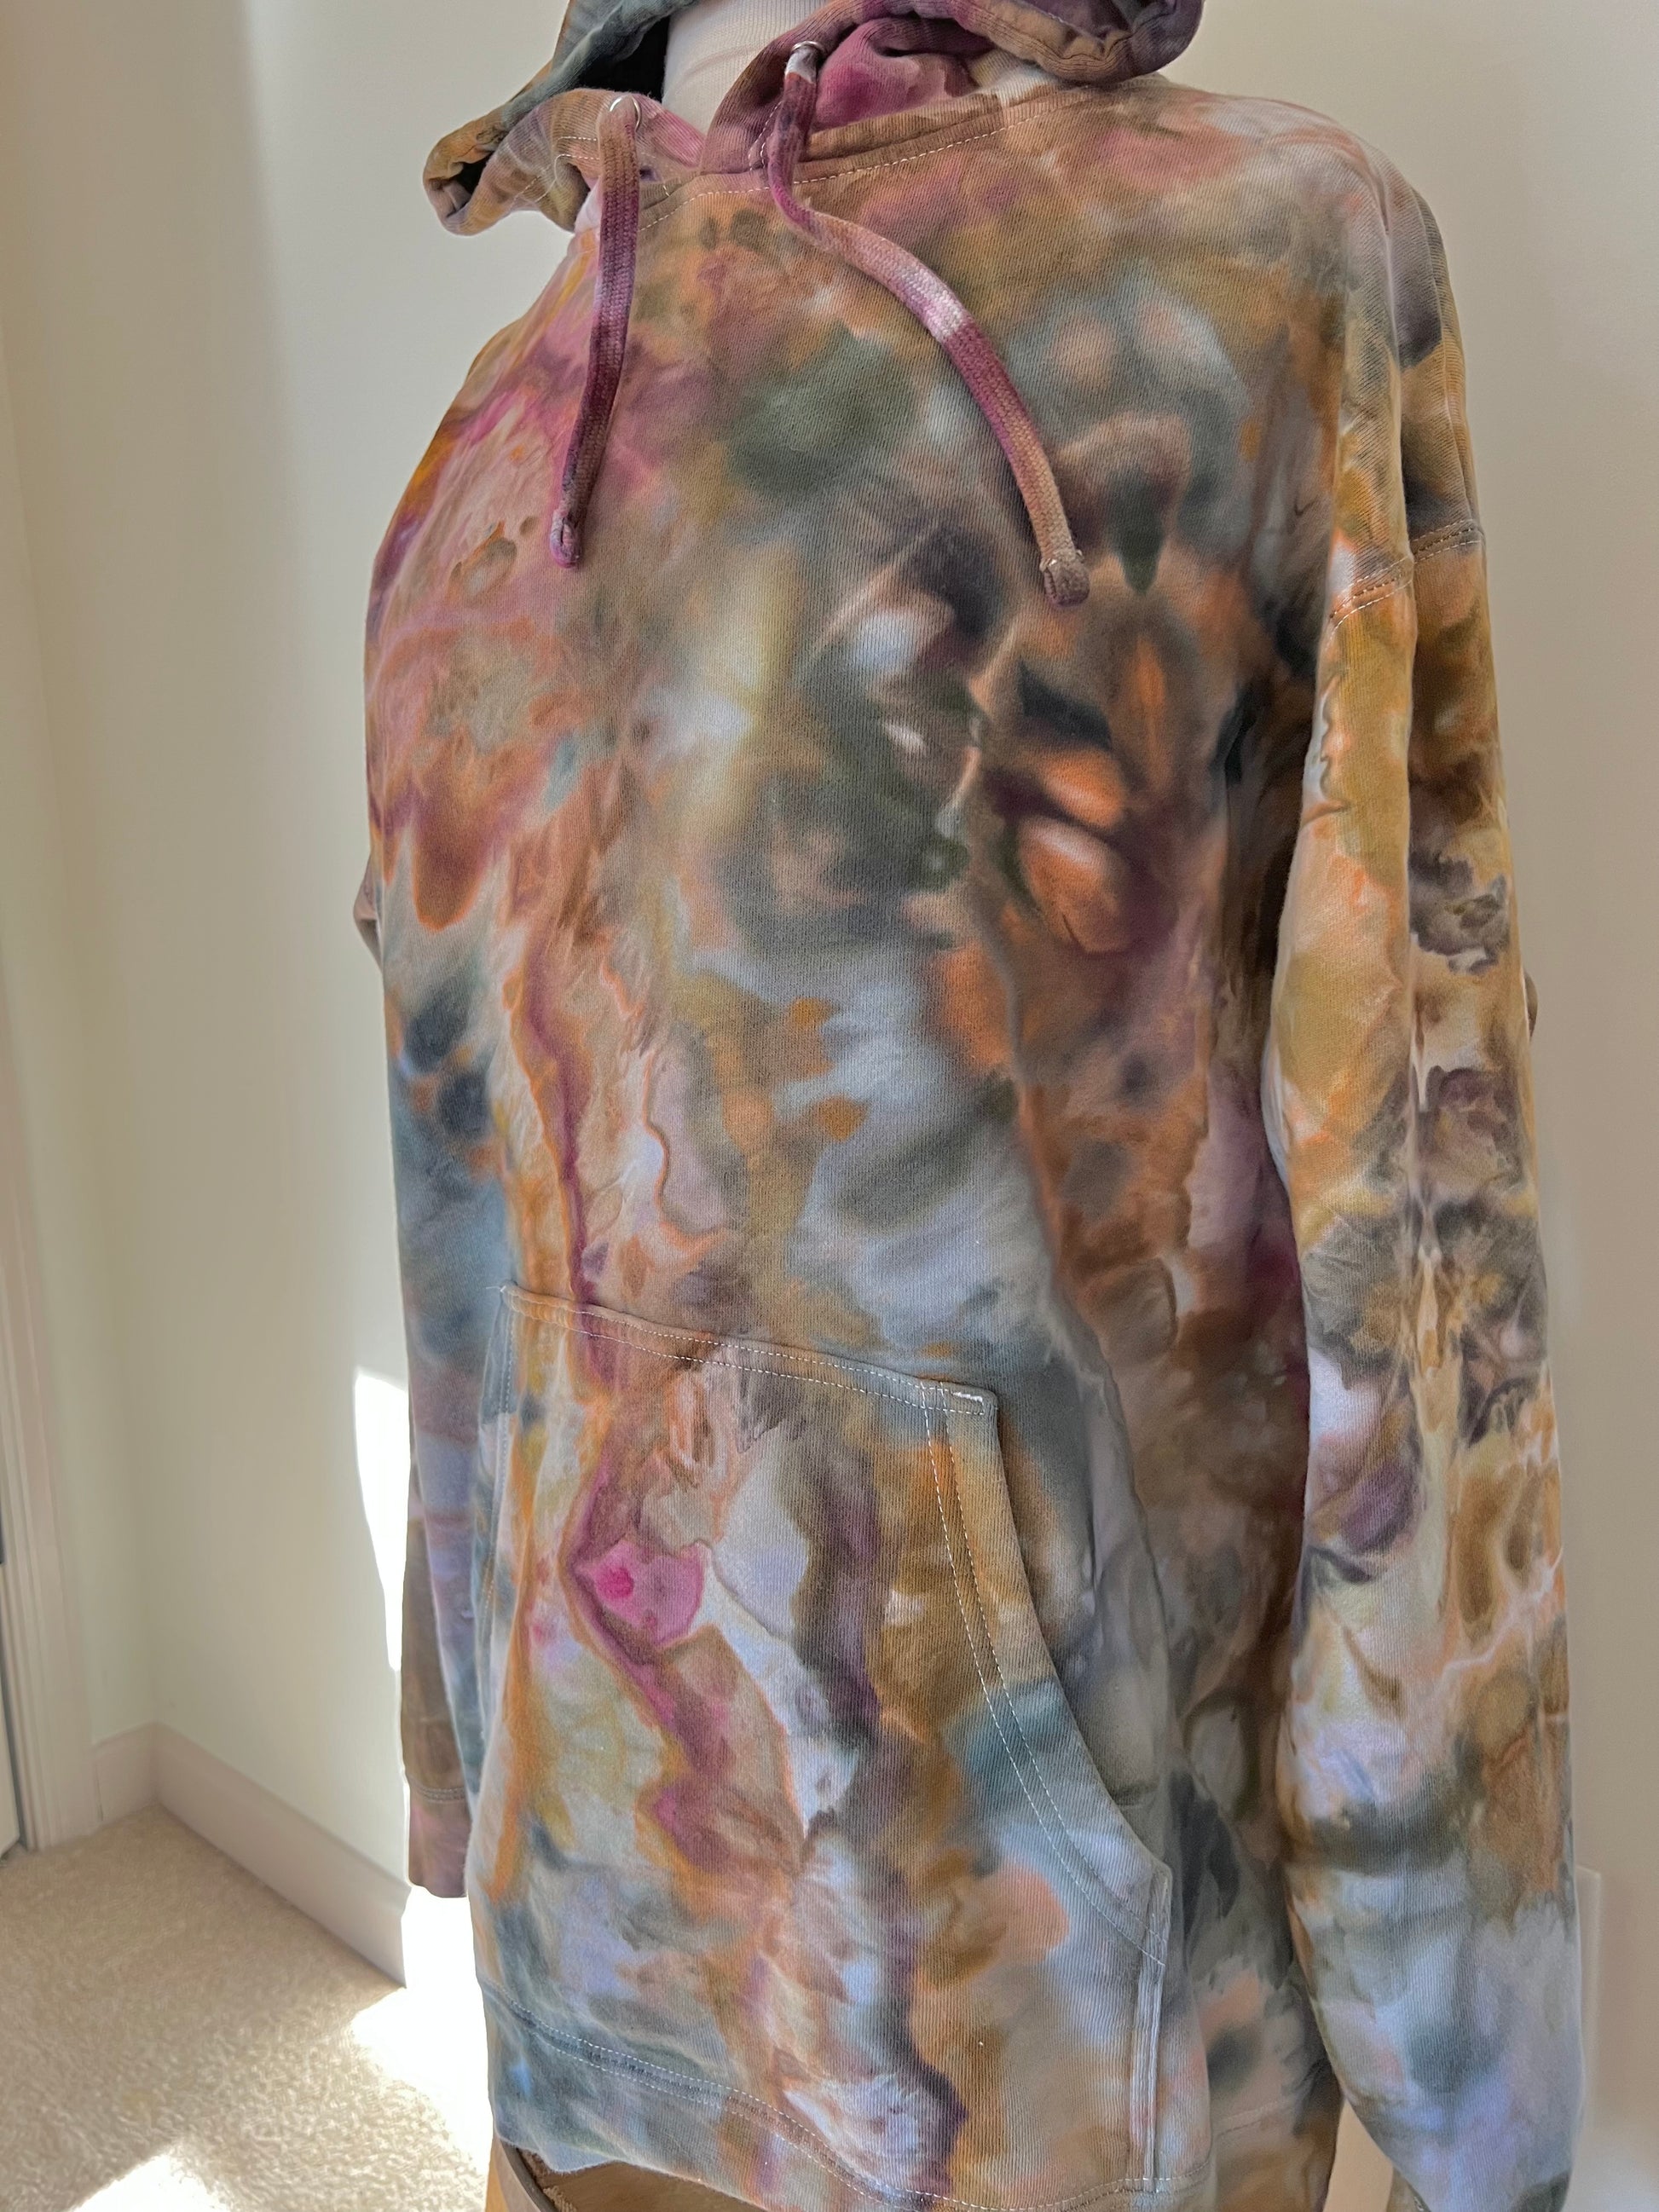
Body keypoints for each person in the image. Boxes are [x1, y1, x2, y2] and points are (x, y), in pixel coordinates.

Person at [359, 1, 1582, 2207]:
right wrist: (466, 1755)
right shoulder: (493, 429)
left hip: (1064, 2006)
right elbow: (465, 1203)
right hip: (599, 1942)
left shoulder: (1264, 258)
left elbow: (1413, 1165)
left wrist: (1454, 2014)